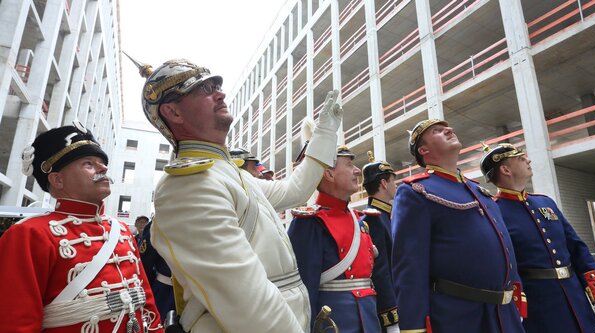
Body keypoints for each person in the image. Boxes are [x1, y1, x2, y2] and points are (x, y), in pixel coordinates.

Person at [130, 57, 342, 332]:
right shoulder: (187, 186)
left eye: (216, 85)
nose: (220, 93)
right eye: (203, 90)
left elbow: (295, 191)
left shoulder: (228, 173)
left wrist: (325, 133)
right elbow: (249, 304)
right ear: (173, 112)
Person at [0, 123, 163, 332]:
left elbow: (145, 301)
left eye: (102, 163)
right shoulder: (29, 234)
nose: (103, 168)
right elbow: (15, 323)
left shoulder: (121, 230)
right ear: (57, 179)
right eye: (89, 163)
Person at [391, 119, 525, 333]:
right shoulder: (415, 192)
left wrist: (518, 299)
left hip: (504, 314)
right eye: (437, 131)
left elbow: (504, 247)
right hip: (459, 317)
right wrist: (413, 327)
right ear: (423, 149)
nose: (449, 130)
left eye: (447, 128)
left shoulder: (479, 190)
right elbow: (410, 268)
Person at [480, 143, 595, 333]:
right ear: (505, 169)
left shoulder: (545, 202)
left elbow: (577, 249)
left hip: (576, 302)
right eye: (521, 158)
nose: (528, 160)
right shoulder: (493, 210)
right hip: (539, 311)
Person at [288, 147, 381, 333]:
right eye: (349, 164)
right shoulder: (310, 223)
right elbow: (304, 292)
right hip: (334, 324)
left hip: (370, 320)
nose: (357, 170)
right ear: (329, 174)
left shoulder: (359, 220)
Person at [361, 152, 399, 332]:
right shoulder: (373, 218)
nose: (396, 185)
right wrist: (390, 316)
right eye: (393, 180)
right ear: (384, 183)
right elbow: (380, 271)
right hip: (387, 308)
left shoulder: (386, 216)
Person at [139, 219, 176, 321]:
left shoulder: (159, 223)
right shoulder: (157, 224)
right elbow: (145, 264)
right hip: (166, 292)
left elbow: (145, 265)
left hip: (167, 292)